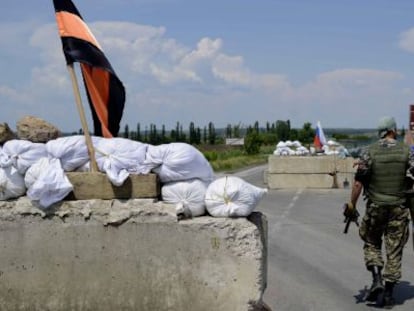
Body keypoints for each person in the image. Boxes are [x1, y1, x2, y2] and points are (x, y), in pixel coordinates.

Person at [348, 116, 414, 308]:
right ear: (393, 130)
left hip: (375, 207)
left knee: (371, 242)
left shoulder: (368, 152)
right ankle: (388, 295)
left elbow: (358, 183)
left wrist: (351, 205)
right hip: (399, 209)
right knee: (394, 250)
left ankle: (377, 279)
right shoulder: (407, 152)